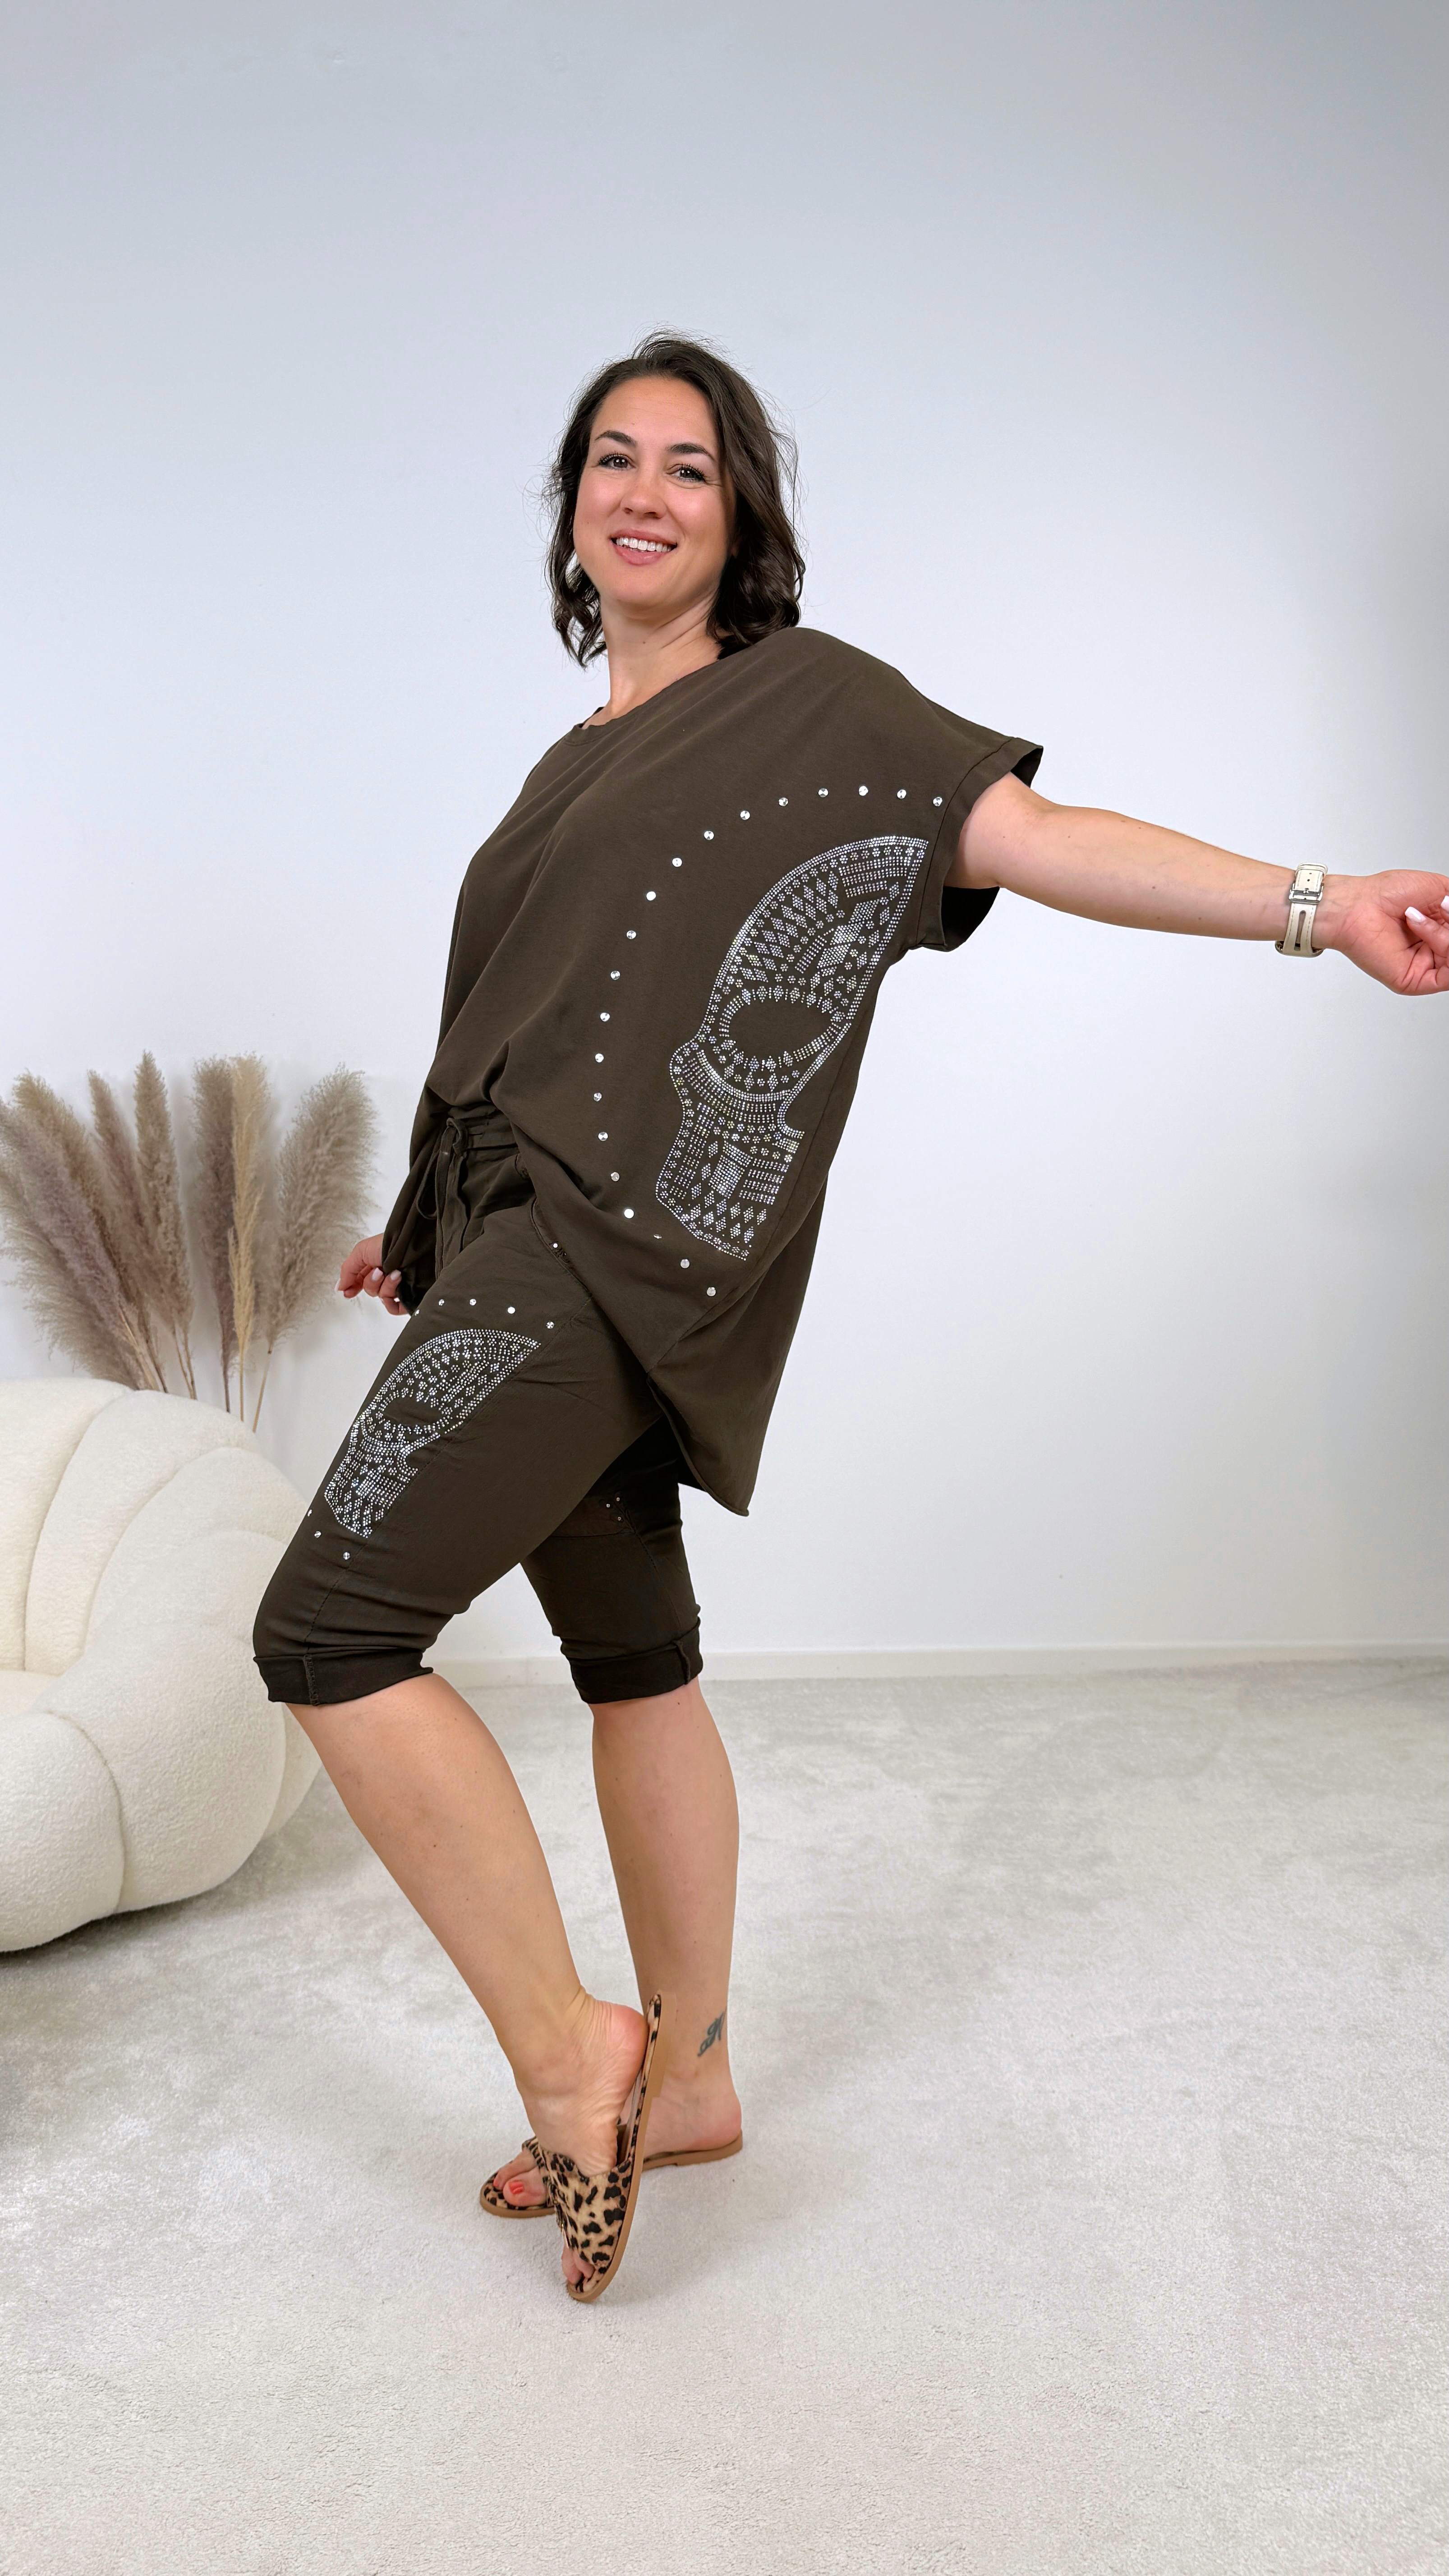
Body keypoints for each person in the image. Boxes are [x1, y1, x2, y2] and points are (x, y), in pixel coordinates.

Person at [252, 331, 1448, 2303]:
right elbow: (522, 1021)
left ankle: (575, 2057)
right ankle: (696, 2083)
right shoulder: (567, 763)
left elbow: (1040, 841)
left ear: (742, 516)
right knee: (637, 1664)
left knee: (327, 1631)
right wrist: (417, 1228)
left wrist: (1319, 904)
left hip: (612, 1247)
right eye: (612, 458)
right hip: (517, 1239)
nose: (645, 491)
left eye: (690, 465)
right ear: (571, 508)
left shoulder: (817, 701)